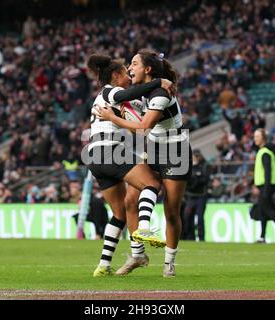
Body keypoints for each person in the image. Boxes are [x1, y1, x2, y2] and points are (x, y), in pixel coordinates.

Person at [97, 49, 192, 277]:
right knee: (130, 199)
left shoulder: (161, 93)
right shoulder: (144, 91)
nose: (129, 68)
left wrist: (113, 118)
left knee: (171, 210)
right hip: (153, 149)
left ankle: (169, 262)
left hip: (175, 151)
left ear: (147, 69)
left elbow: (144, 127)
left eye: (134, 64)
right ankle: (137, 254)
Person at [85, 54, 173, 277]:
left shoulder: (107, 98)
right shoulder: (109, 90)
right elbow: (128, 94)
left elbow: (133, 110)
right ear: (115, 76)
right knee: (151, 183)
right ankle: (144, 228)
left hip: (95, 155)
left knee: (119, 213)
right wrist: (158, 82)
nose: (129, 75)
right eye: (126, 72)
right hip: (109, 149)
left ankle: (104, 265)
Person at [250, 129, 275, 244]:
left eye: (257, 136)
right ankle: (262, 237)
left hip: (267, 186)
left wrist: (265, 189)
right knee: (263, 210)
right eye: (255, 136)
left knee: (267, 209)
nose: (255, 139)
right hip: (266, 186)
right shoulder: (265, 151)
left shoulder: (265, 152)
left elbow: (267, 172)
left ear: (263, 138)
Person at [182, 149, 210, 241]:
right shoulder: (189, 166)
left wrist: (196, 179)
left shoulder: (205, 166)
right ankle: (190, 237)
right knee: (187, 217)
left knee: (200, 218)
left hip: (201, 196)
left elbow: (205, 180)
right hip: (191, 196)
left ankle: (201, 238)